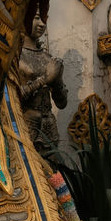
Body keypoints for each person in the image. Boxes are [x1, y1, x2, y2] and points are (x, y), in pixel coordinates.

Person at [18, 11, 68, 152]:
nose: (42, 24)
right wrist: (44, 80)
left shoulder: (48, 58)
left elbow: (62, 103)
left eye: (44, 19)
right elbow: (12, 96)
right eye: (36, 18)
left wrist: (57, 81)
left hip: (49, 126)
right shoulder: (16, 56)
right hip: (26, 125)